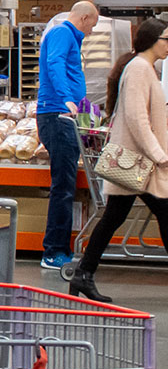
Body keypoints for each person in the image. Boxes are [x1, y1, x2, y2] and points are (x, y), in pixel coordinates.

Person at [68, 18, 168, 303]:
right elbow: (137, 118)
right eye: (166, 39)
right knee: (161, 212)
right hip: (140, 162)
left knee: (114, 216)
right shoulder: (139, 69)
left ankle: (83, 274)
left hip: (138, 163)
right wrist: (160, 155)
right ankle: (83, 274)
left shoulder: (145, 68)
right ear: (152, 39)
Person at [36, 0, 101, 270]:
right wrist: (66, 100)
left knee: (65, 185)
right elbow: (55, 65)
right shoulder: (62, 33)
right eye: (92, 27)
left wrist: (86, 111)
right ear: (84, 19)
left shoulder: (69, 37)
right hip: (57, 115)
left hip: (64, 115)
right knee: (63, 186)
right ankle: (53, 252)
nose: (91, 33)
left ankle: (58, 248)